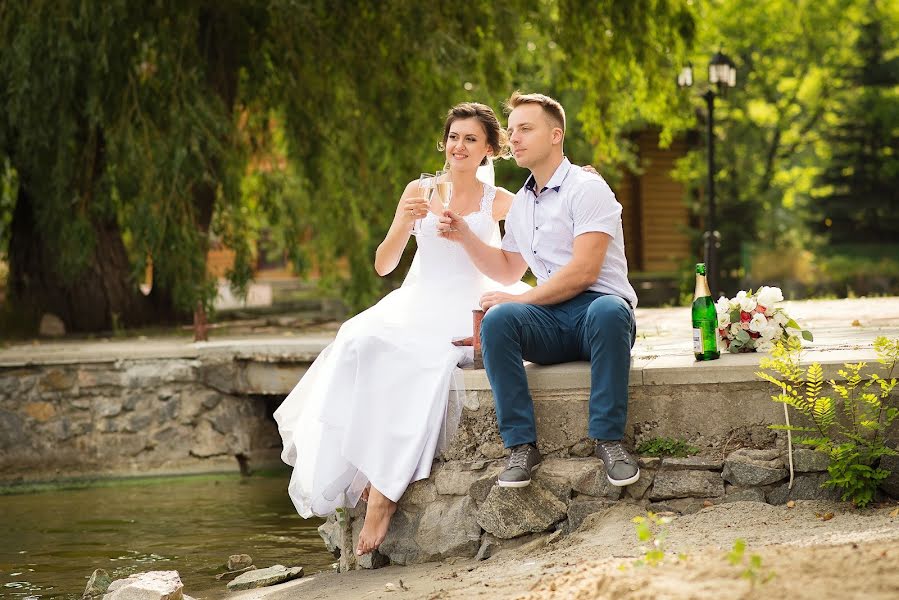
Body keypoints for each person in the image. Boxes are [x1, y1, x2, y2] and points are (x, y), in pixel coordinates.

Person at [273, 102, 525, 557]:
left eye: (471, 139)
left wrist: (468, 236)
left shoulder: (503, 201)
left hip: (465, 301)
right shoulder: (420, 190)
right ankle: (365, 469)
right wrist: (407, 221)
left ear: (489, 148)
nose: (459, 146)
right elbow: (384, 263)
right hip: (417, 298)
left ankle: (384, 495)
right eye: (453, 137)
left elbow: (511, 271)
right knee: (359, 340)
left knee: (424, 360)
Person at [438, 92, 640, 490]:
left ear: (555, 135)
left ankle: (609, 441)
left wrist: (520, 298)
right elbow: (508, 267)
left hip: (596, 314)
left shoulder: (588, 189)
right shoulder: (521, 205)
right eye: (511, 131)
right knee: (498, 321)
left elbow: (584, 272)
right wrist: (464, 237)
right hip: (550, 320)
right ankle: (521, 447)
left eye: (525, 129)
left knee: (609, 311)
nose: (514, 138)